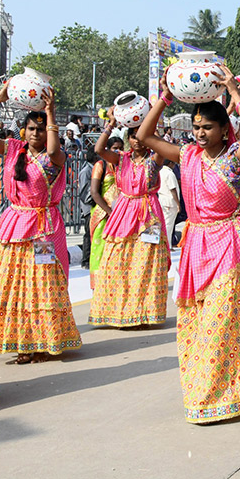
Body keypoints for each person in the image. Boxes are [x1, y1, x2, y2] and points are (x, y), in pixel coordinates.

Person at [137, 69, 240, 423]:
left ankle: (210, 397)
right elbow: (144, 135)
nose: (200, 134)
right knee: (200, 325)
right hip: (196, 247)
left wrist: (233, 89)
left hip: (229, 248)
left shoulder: (236, 159)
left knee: (222, 325)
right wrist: (166, 97)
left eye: (207, 127)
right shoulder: (186, 155)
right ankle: (222, 391)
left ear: (222, 129)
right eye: (196, 127)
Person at [0, 83, 81, 364]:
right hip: (15, 226)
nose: (36, 133)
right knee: (15, 286)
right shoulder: (12, 150)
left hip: (44, 227)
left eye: (41, 129)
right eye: (32, 129)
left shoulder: (55, 157)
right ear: (24, 131)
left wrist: (50, 113)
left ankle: (46, 341)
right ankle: (22, 341)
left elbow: (55, 150)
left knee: (43, 284)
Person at [89, 121, 169, 328]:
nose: (137, 140)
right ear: (128, 139)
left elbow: (161, 146)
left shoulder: (154, 159)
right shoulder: (120, 159)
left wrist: (155, 131)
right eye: (133, 136)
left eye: (141, 136)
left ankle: (142, 313)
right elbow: (98, 149)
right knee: (116, 261)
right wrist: (110, 125)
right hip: (123, 212)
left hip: (147, 212)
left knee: (145, 265)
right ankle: (116, 311)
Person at [89, 137, 123, 287]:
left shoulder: (123, 165)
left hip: (120, 216)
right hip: (103, 215)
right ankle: (98, 285)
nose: (118, 151)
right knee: (100, 250)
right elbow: (94, 193)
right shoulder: (101, 165)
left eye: (121, 148)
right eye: (115, 148)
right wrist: (110, 212)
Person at [158, 160, 181, 245]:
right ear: (170, 163)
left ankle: (165, 243)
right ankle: (167, 245)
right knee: (168, 225)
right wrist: (178, 204)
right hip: (170, 202)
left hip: (162, 200)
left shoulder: (160, 172)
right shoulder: (169, 173)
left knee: (164, 223)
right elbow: (173, 189)